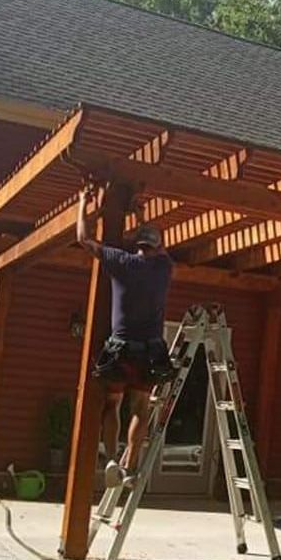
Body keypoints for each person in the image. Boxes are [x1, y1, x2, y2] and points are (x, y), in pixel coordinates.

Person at [76, 186, 173, 489]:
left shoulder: (121, 261)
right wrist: (142, 213)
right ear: (156, 247)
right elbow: (161, 247)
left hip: (120, 350)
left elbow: (83, 239)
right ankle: (130, 468)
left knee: (113, 404)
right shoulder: (163, 268)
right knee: (141, 409)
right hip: (150, 352)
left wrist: (82, 205)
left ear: (136, 244)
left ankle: (111, 460)